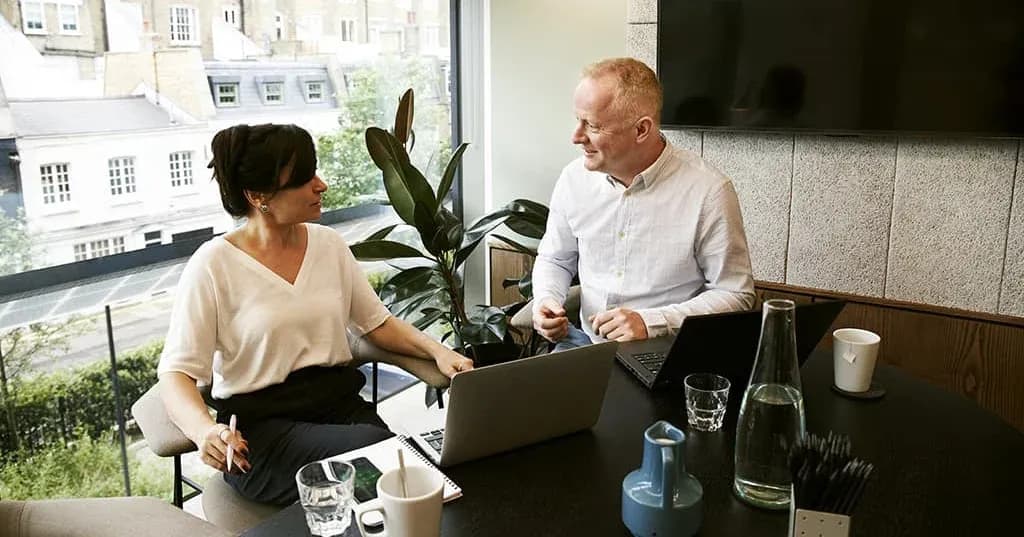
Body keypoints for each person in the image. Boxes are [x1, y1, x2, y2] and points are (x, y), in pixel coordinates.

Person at [157, 124, 473, 505]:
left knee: (409, 480)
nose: (320, 185)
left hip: (343, 411)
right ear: (258, 196)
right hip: (264, 436)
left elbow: (377, 324)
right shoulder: (212, 265)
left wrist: (439, 352)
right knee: (389, 464)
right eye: (304, 179)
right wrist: (203, 430)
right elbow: (176, 374)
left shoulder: (329, 245)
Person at [531, 58, 755, 351]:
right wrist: (547, 298)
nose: (576, 137)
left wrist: (651, 322)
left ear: (641, 130)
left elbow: (735, 294)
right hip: (584, 345)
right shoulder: (573, 179)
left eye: (593, 126)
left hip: (667, 351)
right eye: (578, 120)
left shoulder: (709, 191)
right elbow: (555, 259)